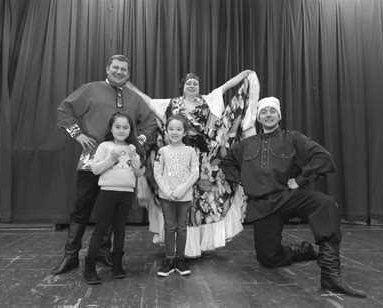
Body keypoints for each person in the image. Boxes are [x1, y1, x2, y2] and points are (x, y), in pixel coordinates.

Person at [219, 97, 366, 298]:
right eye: (264, 112)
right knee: (267, 258)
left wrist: (300, 180)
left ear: (279, 115)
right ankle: (301, 251)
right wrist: (244, 181)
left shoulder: (293, 138)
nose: (268, 115)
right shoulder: (246, 144)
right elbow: (226, 163)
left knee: (325, 204)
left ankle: (331, 276)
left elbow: (323, 158)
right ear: (258, 118)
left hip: (289, 197)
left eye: (272, 111)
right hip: (263, 205)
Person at [128, 70, 260, 257]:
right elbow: (149, 101)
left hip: (204, 159)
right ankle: (179, 247)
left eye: (195, 83)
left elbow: (226, 87)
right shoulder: (171, 103)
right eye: (188, 83)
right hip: (177, 157)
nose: (192, 85)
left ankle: (193, 246)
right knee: (180, 198)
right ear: (183, 86)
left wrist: (243, 76)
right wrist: (131, 88)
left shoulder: (209, 100)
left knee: (202, 201)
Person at [54, 55, 157, 275]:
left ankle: (103, 252)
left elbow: (149, 123)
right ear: (108, 69)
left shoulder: (134, 98)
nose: (120, 72)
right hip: (92, 157)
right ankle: (71, 256)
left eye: (124, 70)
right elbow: (64, 109)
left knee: (110, 210)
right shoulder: (91, 89)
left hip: (121, 163)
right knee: (82, 207)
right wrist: (78, 134)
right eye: (116, 68)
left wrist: (136, 141)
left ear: (128, 73)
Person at [84, 112, 145, 284]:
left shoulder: (133, 148)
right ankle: (89, 268)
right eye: (117, 127)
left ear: (130, 130)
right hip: (107, 192)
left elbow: (139, 172)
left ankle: (117, 265)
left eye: (125, 127)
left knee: (120, 229)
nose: (121, 130)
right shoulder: (104, 146)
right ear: (111, 128)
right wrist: (111, 158)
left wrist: (133, 156)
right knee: (100, 229)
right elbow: (95, 169)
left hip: (126, 193)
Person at [153, 115, 199, 276]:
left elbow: (195, 173)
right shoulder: (162, 151)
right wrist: (167, 192)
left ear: (184, 132)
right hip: (167, 198)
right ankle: (169, 259)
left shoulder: (190, 151)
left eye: (178, 129)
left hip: (184, 198)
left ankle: (180, 259)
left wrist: (180, 191)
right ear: (166, 131)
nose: (174, 132)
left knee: (182, 228)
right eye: (171, 129)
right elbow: (157, 173)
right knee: (169, 227)